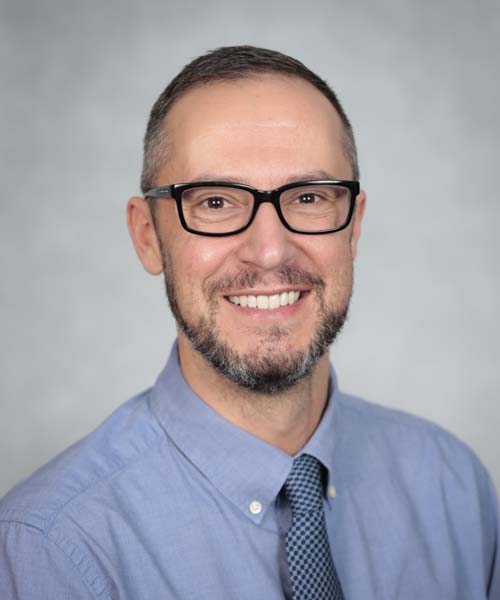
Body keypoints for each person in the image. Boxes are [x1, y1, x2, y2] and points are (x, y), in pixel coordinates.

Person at [0, 45, 498, 600]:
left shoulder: (453, 488)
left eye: (308, 197)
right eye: (216, 202)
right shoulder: (51, 550)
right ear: (147, 237)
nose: (268, 251)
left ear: (353, 228)